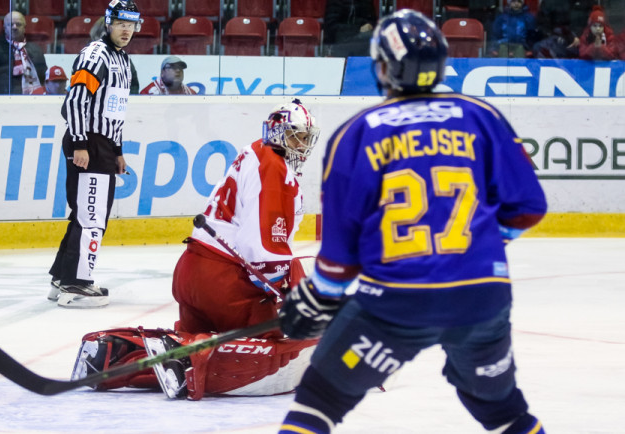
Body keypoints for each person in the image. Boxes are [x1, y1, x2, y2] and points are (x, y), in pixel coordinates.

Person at [277, 9, 548, 434]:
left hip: (396, 304)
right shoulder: (480, 115)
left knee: (319, 402)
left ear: (381, 66)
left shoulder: (358, 132)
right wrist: (479, 244)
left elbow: (339, 256)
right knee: (503, 412)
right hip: (480, 298)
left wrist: (318, 295)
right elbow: (529, 206)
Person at [69, 99, 321, 400]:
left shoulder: (254, 152)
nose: (302, 144)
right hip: (225, 285)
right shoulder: (273, 167)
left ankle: (116, 354)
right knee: (276, 348)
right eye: (296, 135)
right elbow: (261, 247)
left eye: (305, 137)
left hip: (191, 272)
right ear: (278, 133)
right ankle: (181, 354)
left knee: (185, 353)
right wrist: (286, 294)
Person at [47, 0, 141, 308]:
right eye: (121, 23)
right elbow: (75, 102)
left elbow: (115, 111)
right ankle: (76, 284)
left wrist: (118, 151)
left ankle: (63, 278)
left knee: (85, 213)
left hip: (103, 146)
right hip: (88, 142)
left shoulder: (124, 61)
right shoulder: (95, 55)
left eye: (132, 23)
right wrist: (79, 144)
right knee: (92, 216)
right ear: (109, 22)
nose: (127, 29)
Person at [0, 11, 47, 95]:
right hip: (6, 99)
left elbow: (44, 76)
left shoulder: (36, 49)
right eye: (10, 24)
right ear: (5, 28)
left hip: (35, 97)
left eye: (18, 24)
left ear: (24, 27)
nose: (14, 27)